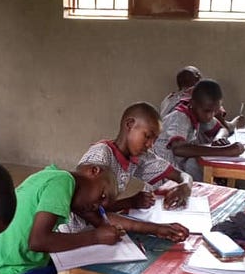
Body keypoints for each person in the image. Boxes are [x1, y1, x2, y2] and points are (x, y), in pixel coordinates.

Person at [0, 163, 125, 274]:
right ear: (93, 171)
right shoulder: (63, 182)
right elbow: (38, 241)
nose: (96, 206)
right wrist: (96, 237)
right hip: (13, 272)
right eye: (102, 196)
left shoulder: (51, 175)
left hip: (30, 263)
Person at [72, 103, 191, 240]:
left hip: (100, 230)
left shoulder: (140, 157)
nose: (150, 145)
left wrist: (185, 186)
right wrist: (133, 205)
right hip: (73, 234)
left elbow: (181, 175)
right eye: (147, 136)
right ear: (129, 124)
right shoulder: (100, 156)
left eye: (155, 140)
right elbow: (89, 210)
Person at [153, 78, 245, 180]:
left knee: (195, 163)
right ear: (192, 103)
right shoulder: (179, 117)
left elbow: (223, 129)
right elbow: (179, 149)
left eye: (215, 111)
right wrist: (224, 150)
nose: (210, 116)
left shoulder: (201, 114)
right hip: (162, 178)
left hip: (179, 173)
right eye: (207, 111)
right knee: (194, 163)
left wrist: (218, 138)